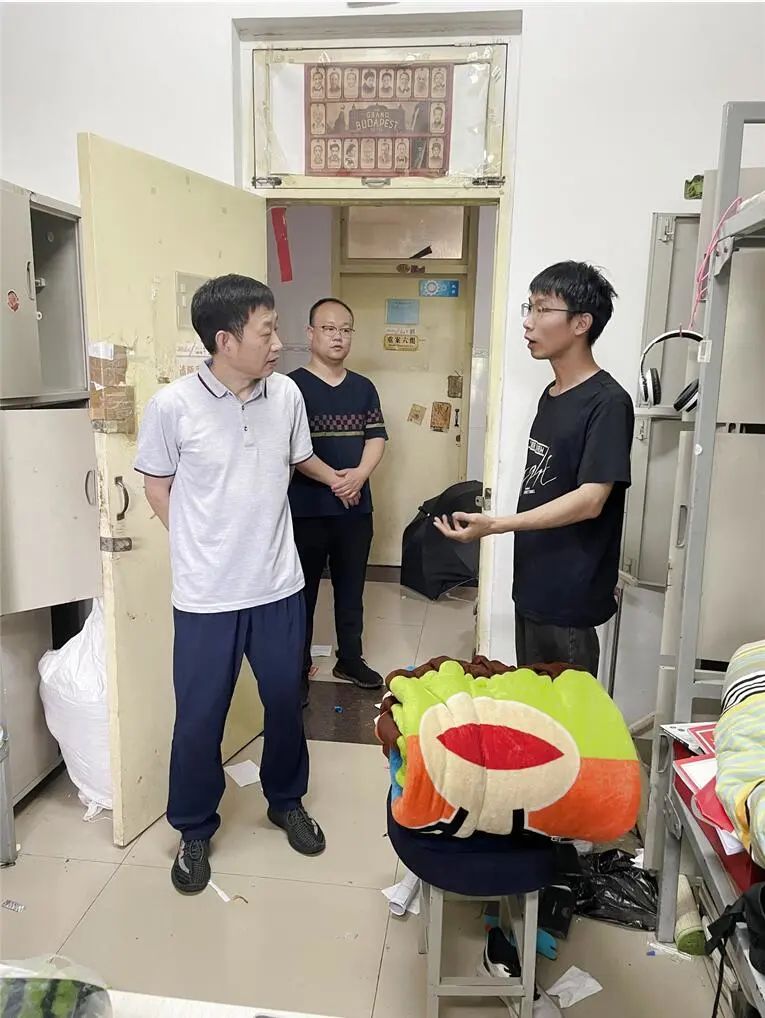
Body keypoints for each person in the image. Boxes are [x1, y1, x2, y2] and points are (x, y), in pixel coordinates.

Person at [135, 275, 351, 895]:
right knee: (200, 718)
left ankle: (285, 800)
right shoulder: (172, 406)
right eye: (267, 331)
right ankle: (193, 827)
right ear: (226, 341)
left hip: (279, 586)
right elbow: (157, 487)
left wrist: (343, 478)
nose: (279, 343)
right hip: (207, 598)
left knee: (285, 702)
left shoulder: (286, 395)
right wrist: (200, 547)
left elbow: (294, 459)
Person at [435, 262, 633, 676]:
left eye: (543, 309)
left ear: (581, 323)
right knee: (532, 703)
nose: (528, 322)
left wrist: (497, 524)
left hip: (570, 594)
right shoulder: (553, 394)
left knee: (567, 712)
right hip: (532, 583)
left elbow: (591, 500)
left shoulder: (608, 402)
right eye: (530, 307)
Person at [289, 298, 388, 701]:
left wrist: (360, 475)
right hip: (306, 510)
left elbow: (376, 437)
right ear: (310, 333)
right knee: (302, 592)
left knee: (352, 588)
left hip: (355, 509)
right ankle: (296, 666)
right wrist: (337, 480)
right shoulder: (290, 387)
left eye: (346, 329)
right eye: (329, 329)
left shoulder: (363, 388)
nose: (338, 337)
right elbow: (291, 449)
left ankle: (350, 658)